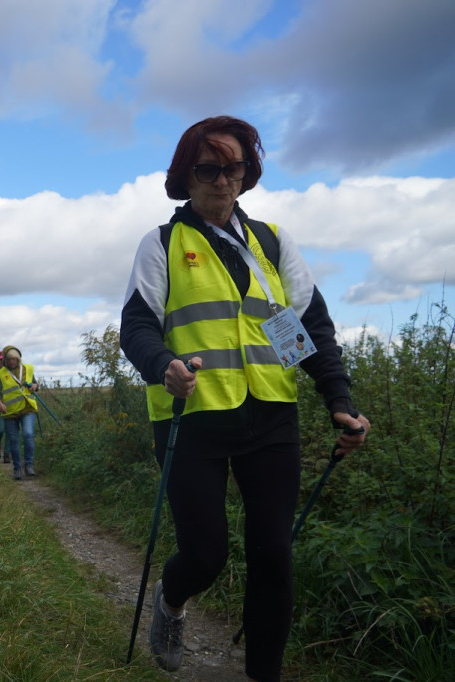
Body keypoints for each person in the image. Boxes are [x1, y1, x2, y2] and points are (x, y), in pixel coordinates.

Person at [120, 115, 370, 681]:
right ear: (186, 176)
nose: (222, 180)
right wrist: (165, 366)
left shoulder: (273, 244)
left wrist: (339, 398)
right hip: (192, 418)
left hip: (272, 418)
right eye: (207, 168)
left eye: (233, 167)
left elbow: (306, 330)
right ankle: (171, 600)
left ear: (247, 173)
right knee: (206, 556)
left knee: (273, 556)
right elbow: (136, 327)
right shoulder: (163, 243)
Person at [0, 346, 38, 480]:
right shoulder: (0, 373)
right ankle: (17, 468)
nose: (12, 362)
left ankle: (29, 465)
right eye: (9, 359)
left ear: (18, 359)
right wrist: (0, 403)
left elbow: (35, 384)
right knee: (13, 440)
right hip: (10, 412)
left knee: (28, 434)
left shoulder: (28, 369)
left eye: (14, 359)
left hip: (27, 408)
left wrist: (35, 386)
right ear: (5, 361)